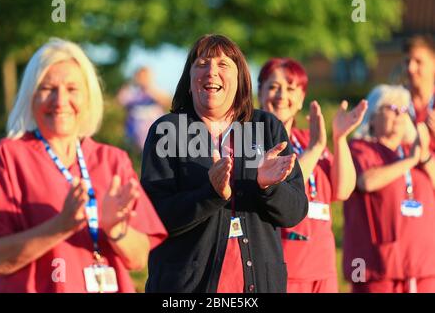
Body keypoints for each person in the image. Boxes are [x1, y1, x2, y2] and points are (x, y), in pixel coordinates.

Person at [0, 38, 167, 293]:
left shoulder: (113, 160)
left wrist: (115, 229)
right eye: (48, 88)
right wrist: (60, 226)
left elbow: (138, 259)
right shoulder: (7, 156)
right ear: (30, 95)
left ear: (89, 96)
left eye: (72, 89)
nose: (60, 101)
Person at [141, 34, 308, 293]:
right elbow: (154, 218)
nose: (212, 72)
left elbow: (295, 212)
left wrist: (267, 187)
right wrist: (211, 194)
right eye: (203, 64)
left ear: (240, 78)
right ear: (189, 81)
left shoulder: (267, 128)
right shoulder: (167, 131)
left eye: (223, 65)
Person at [257, 58, 367, 293]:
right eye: (273, 87)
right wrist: (315, 149)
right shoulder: (255, 142)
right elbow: (283, 189)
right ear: (260, 93)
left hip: (322, 269)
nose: (281, 95)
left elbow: (343, 189)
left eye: (290, 88)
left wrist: (339, 138)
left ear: (301, 99)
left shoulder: (307, 139)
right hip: (284, 268)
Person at [344, 84, 435, 293]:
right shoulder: (360, 148)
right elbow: (366, 181)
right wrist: (411, 161)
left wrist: (424, 157)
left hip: (422, 267)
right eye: (392, 108)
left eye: (405, 110)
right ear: (373, 117)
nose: (400, 115)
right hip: (377, 268)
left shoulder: (414, 152)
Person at [117, 66, 171, 152]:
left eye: (145, 76)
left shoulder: (155, 92)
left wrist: (149, 87)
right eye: (140, 76)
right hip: (134, 144)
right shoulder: (132, 94)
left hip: (156, 143)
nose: (142, 79)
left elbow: (167, 102)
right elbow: (119, 102)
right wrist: (130, 82)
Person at [404, 35, 435, 154]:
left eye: (418, 62)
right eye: (407, 62)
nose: (410, 68)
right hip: (400, 170)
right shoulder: (394, 101)